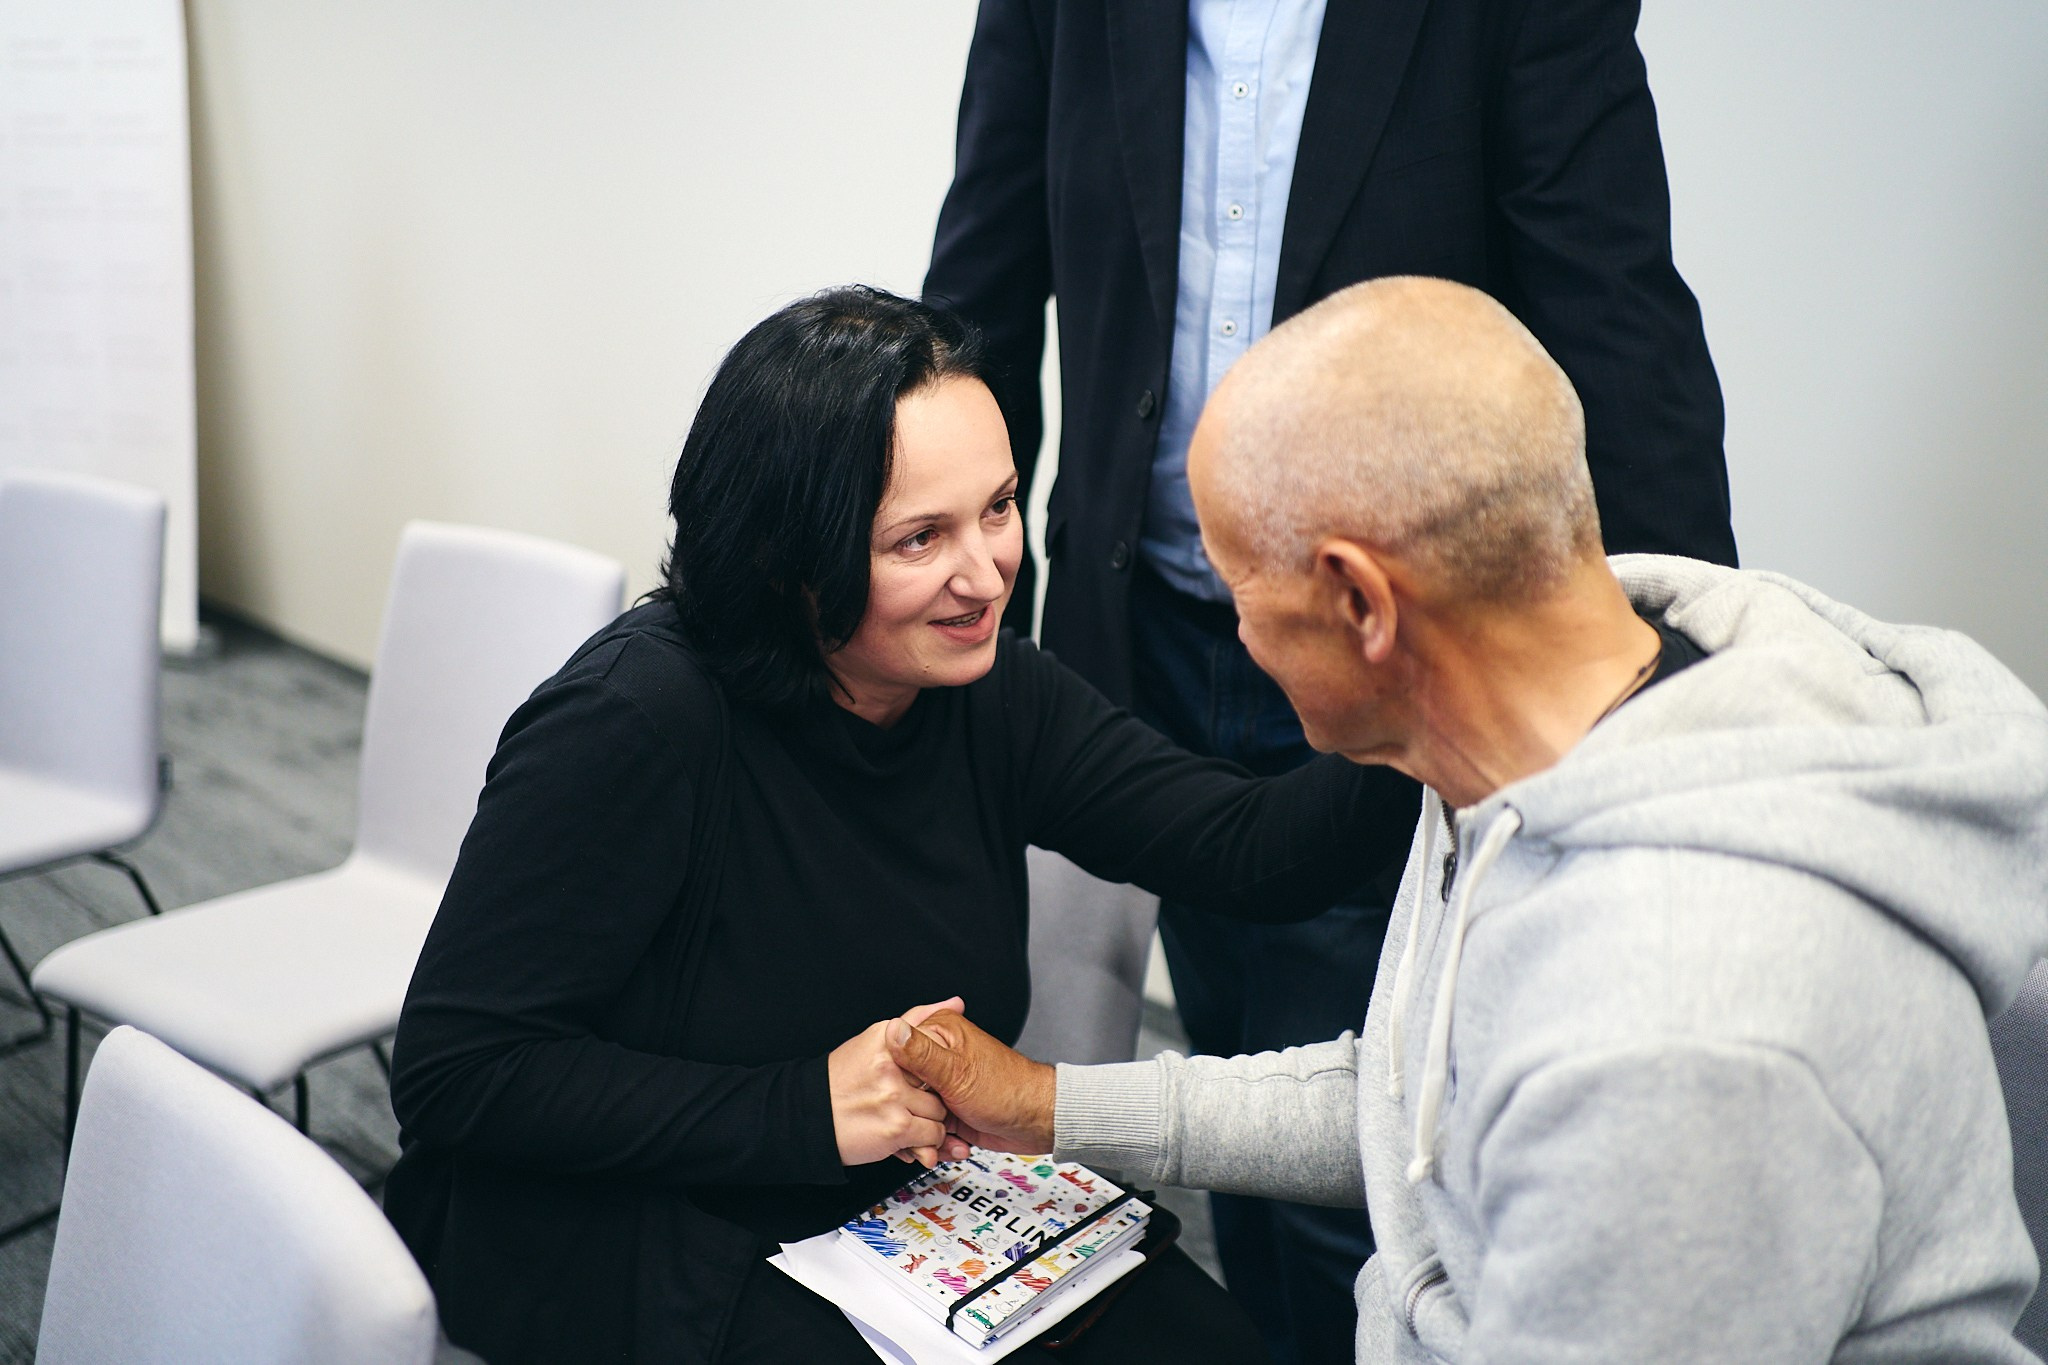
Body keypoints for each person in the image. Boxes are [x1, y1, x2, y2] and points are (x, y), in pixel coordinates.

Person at [885, 276, 2048, 1362]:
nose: (1235, 639)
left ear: (1359, 604)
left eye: (1241, 593)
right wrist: (1047, 1105)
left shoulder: (1680, 1038)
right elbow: (1421, 1107)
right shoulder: (1543, 734)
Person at [382, 286, 1418, 1364]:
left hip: (881, 1198)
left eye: (1000, 507)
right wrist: (800, 1109)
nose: (986, 575)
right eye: (919, 538)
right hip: (631, 1212)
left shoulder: (985, 691)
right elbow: (459, 1074)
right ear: (789, 563)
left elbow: (1255, 852)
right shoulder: (636, 719)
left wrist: (1423, 676)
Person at [925, 7, 1739, 1354]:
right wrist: (930, 566)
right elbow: (985, 277)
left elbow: (1617, 312)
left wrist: (1666, 709)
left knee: (1385, 1157)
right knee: (1259, 1086)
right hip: (1150, 631)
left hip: (1395, 660)